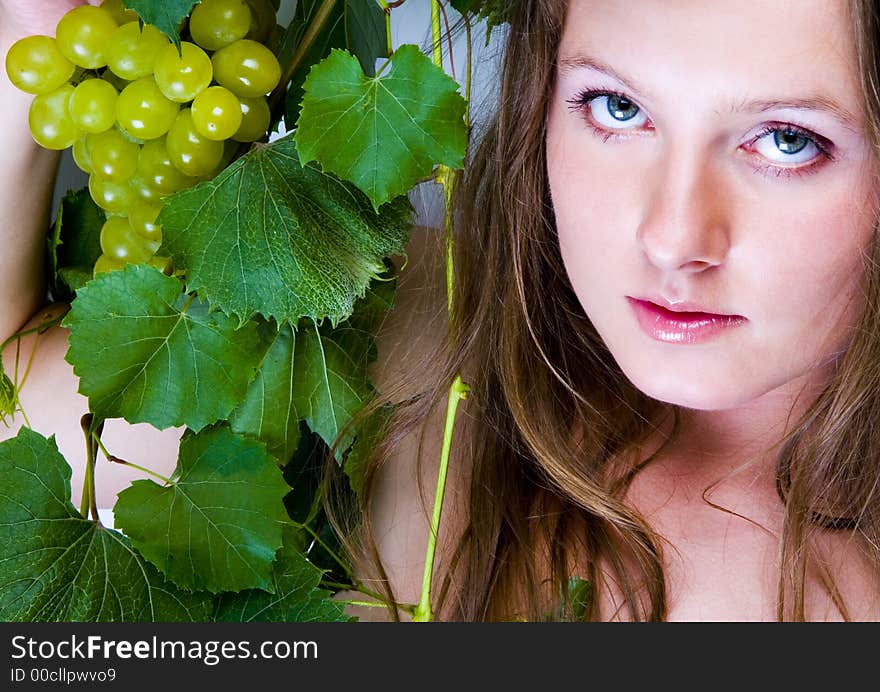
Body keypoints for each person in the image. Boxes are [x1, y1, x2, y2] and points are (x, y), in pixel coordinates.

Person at [2, 0, 880, 623]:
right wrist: (27, 40)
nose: (673, 236)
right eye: (616, 108)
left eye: (789, 141)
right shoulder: (428, 328)